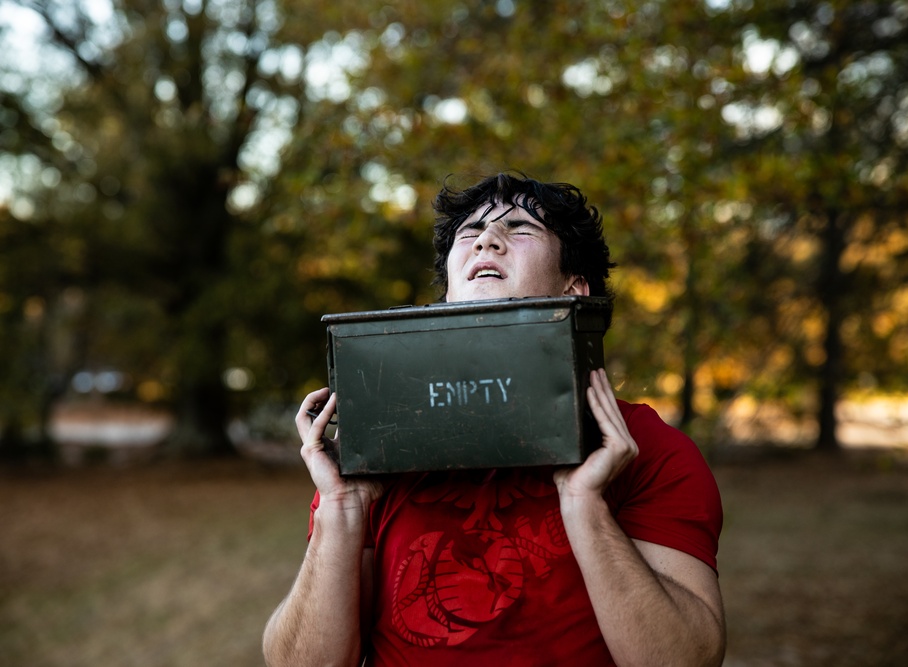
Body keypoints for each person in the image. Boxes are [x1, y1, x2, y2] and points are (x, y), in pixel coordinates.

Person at [262, 173, 725, 667]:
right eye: (470, 233)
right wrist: (341, 506)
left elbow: (686, 659)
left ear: (574, 287)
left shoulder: (648, 448)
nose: (486, 238)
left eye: (521, 228)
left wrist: (585, 503)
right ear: (448, 294)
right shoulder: (381, 440)